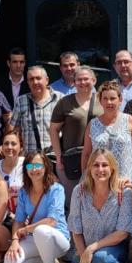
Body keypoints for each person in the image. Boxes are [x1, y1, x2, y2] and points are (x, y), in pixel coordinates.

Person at [67, 149, 132, 263]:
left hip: (113, 250)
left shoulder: (123, 192)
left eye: (105, 165)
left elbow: (123, 233)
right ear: (89, 168)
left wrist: (91, 249)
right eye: (96, 165)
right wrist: (84, 257)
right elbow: (76, 230)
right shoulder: (79, 192)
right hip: (84, 249)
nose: (100, 169)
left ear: (112, 168)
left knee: (103, 260)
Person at [2, 151, 69, 263]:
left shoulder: (56, 189)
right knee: (10, 262)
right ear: (25, 168)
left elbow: (51, 221)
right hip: (35, 237)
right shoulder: (24, 192)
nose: (34, 169)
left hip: (58, 239)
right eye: (30, 165)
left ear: (45, 167)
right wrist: (15, 241)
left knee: (42, 230)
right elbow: (18, 220)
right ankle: (46, 262)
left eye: (38, 165)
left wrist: (27, 229)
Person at [50, 66, 103, 200]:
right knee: (73, 200)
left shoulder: (102, 101)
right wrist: (58, 157)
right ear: (74, 82)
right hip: (71, 161)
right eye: (79, 80)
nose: (82, 82)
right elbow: (54, 130)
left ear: (94, 80)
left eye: (86, 79)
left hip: (97, 159)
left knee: (96, 199)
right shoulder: (65, 102)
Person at [83, 80, 132, 182]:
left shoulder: (130, 121)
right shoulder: (92, 124)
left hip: (125, 182)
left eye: (112, 98)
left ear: (120, 100)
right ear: (100, 100)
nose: (109, 102)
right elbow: (86, 154)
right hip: (100, 182)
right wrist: (85, 178)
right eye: (105, 98)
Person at [10, 65, 59, 158]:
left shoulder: (60, 99)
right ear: (28, 82)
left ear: (47, 80)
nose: (35, 82)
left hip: (55, 158)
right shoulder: (21, 101)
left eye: (38, 78)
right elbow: (14, 129)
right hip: (30, 159)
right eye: (31, 79)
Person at [0, 126, 25, 219]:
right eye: (6, 144)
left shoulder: (27, 165)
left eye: (13, 144)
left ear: (21, 147)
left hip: (25, 217)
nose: (9, 147)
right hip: (1, 218)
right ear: (1, 147)